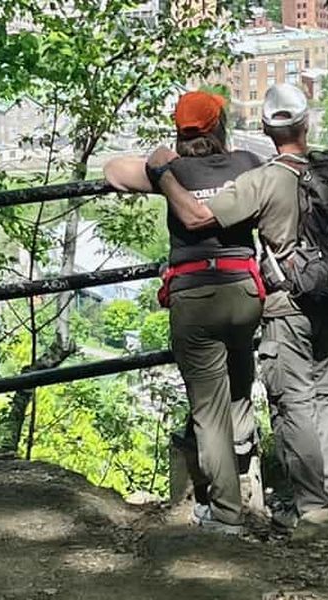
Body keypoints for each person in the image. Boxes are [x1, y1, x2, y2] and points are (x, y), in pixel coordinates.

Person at [145, 83, 328, 529]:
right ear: (307, 123)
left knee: (294, 401)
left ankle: (311, 506)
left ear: (264, 128)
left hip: (287, 304)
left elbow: (198, 216)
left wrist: (164, 173)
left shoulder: (262, 179)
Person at [104, 90, 265, 535]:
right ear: (220, 127)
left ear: (180, 131)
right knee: (238, 375)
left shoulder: (172, 172)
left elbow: (113, 170)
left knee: (208, 411)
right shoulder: (247, 164)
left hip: (195, 298)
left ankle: (227, 512)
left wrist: (161, 163)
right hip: (244, 292)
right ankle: (245, 453)